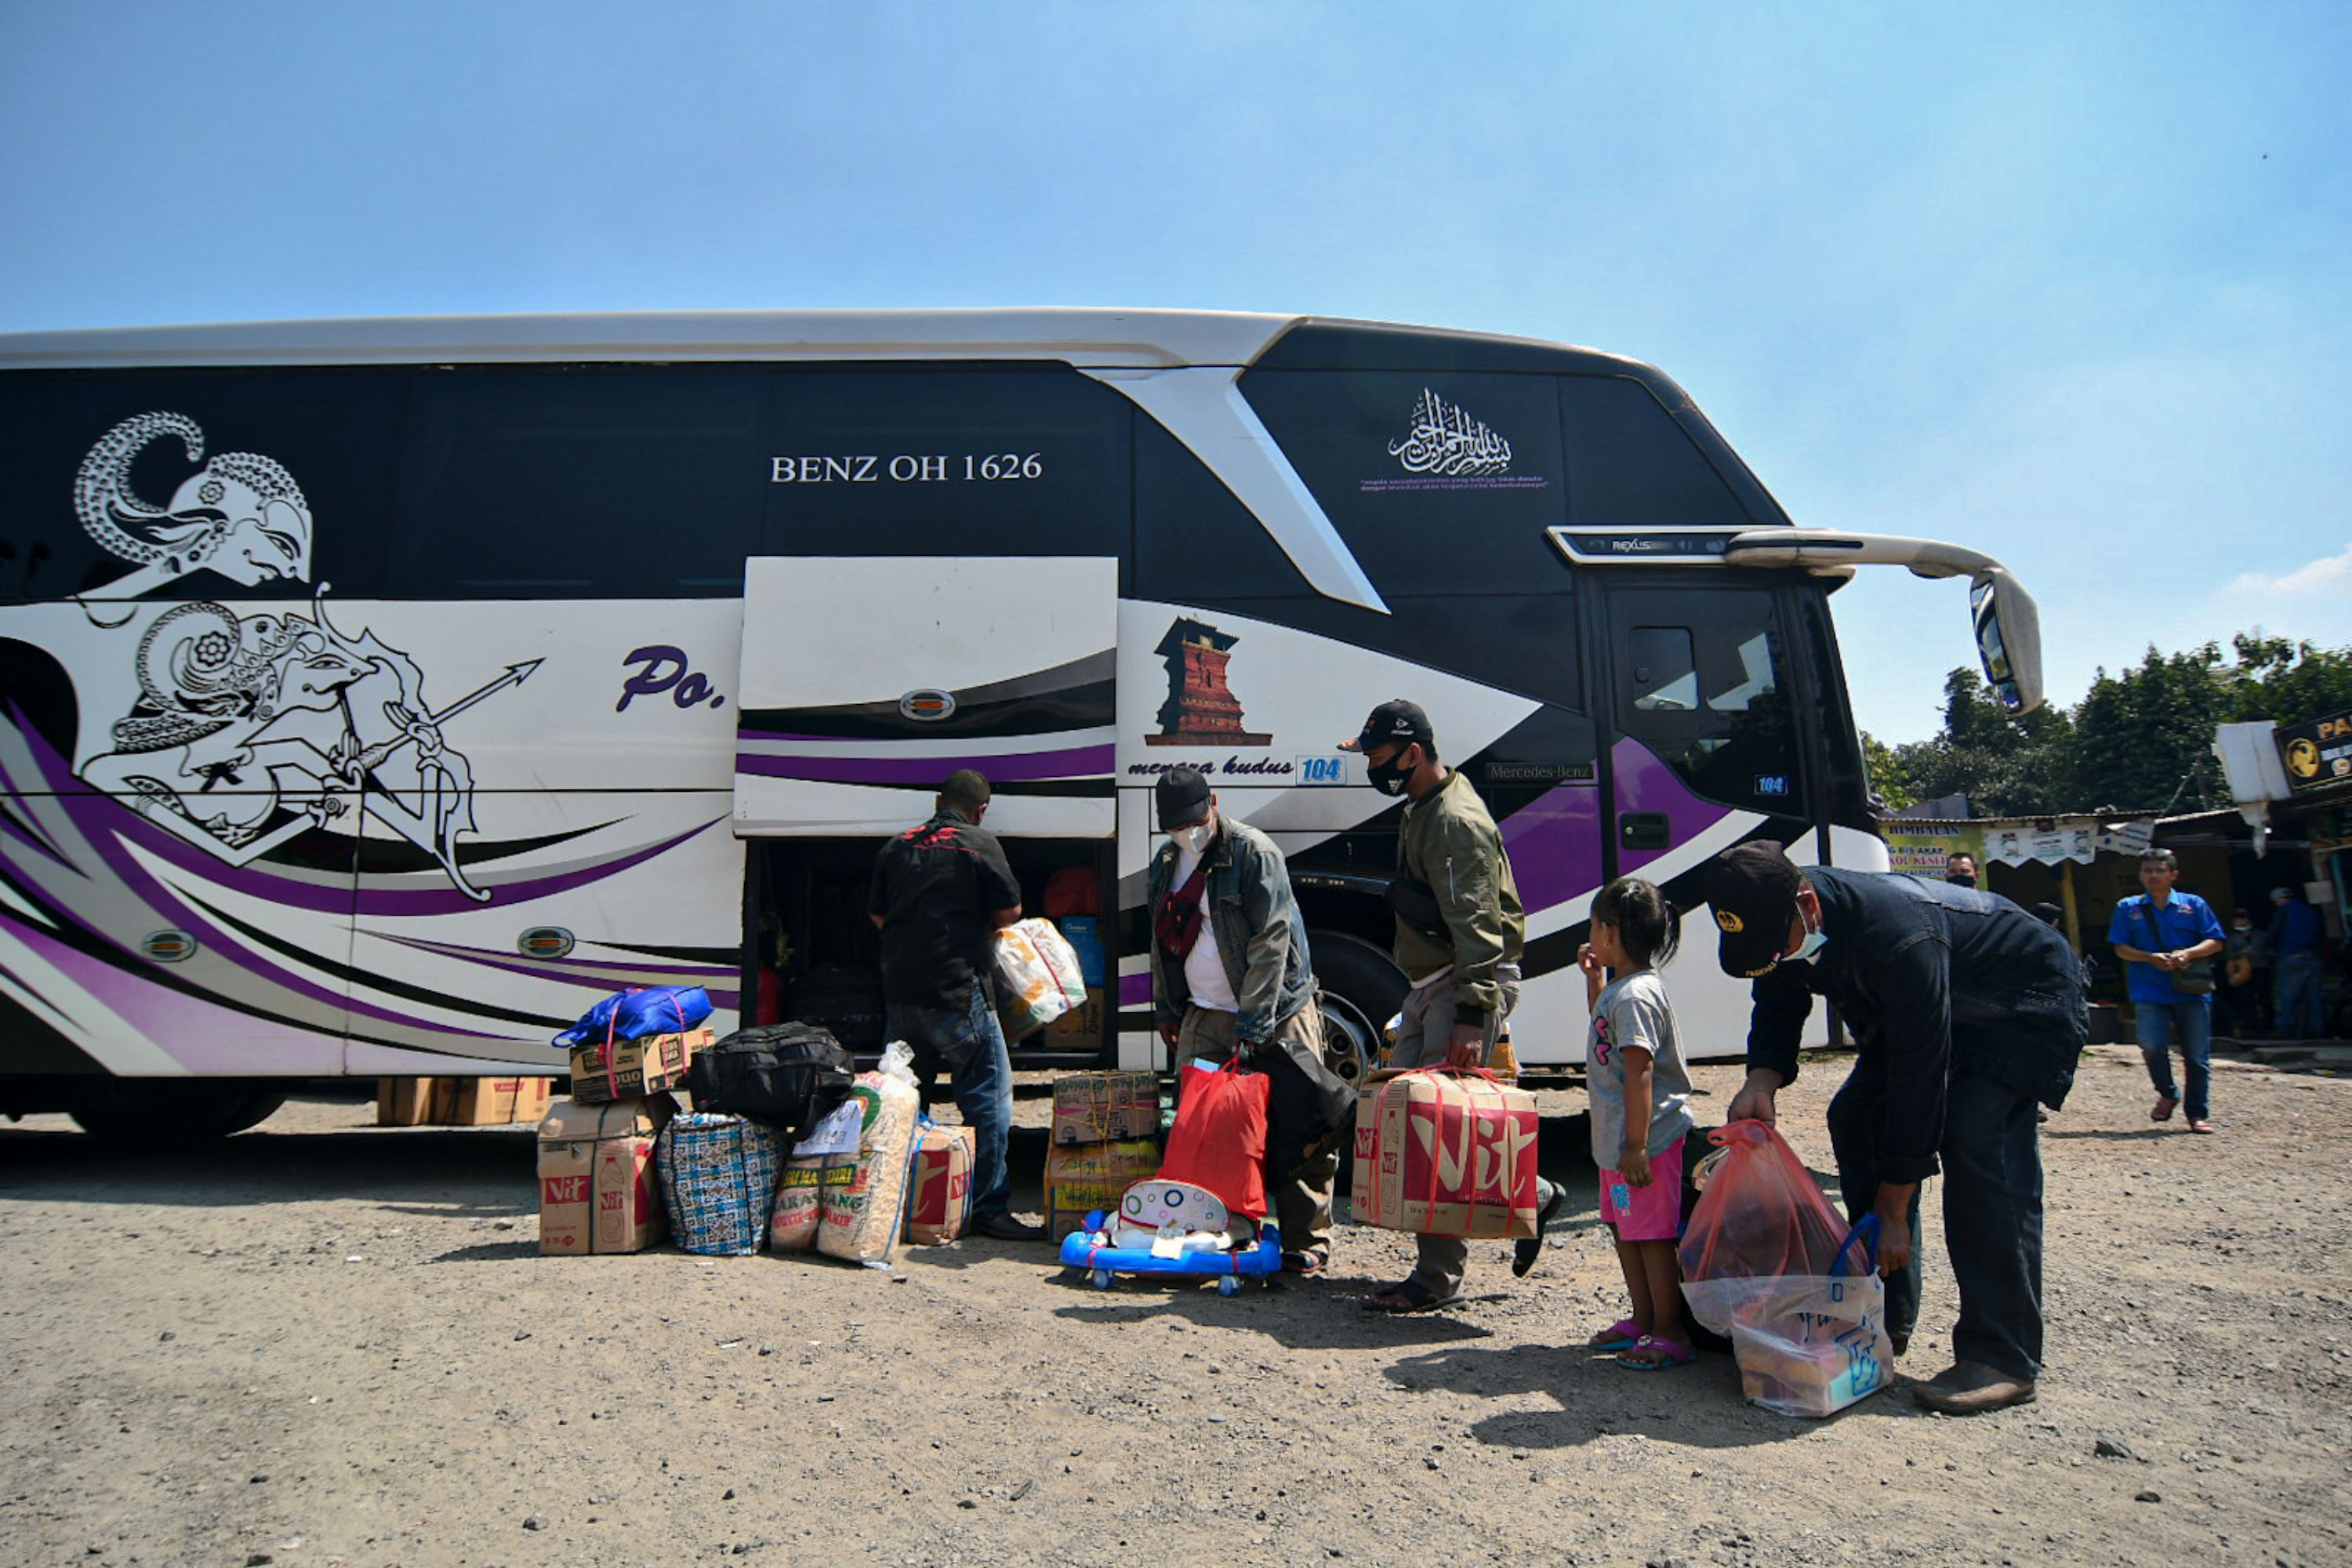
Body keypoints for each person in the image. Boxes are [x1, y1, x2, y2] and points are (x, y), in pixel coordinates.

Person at [1704, 840, 2086, 1415]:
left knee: (1976, 1142)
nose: (1776, 956)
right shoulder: (1779, 916)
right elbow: (1778, 998)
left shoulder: (1898, 936)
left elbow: (1920, 1074)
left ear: (1808, 903)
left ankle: (2003, 1356)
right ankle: (1884, 1318)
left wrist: (1894, 1205)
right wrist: (1762, 1080)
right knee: (1855, 1116)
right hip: (1935, 1007)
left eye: (1776, 945)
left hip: (2019, 1001)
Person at [1339, 699, 1565, 1312]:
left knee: (1434, 1128)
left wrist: (1471, 1014)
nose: (1372, 769)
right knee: (1415, 1120)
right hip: (1432, 984)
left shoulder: (1455, 821)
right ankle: (1535, 1195)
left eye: (1379, 757)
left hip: (1461, 984)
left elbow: (1480, 928)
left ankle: (1435, 1281)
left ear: (1413, 753)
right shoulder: (1425, 805)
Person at [1146, 767, 1353, 1273]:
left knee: (1297, 1128)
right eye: (1176, 826)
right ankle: (1217, 1233)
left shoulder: (1254, 854)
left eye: (1194, 822)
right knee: (1200, 1128)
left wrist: (1254, 1020)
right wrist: (1168, 1007)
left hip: (1277, 1014)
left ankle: (1307, 1240)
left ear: (1213, 804)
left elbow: (1271, 941)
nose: (1187, 833)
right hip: (1204, 1012)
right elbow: (1162, 939)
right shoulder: (1167, 861)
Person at [869, 768, 1042, 1241]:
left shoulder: (897, 847)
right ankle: (987, 1208)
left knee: (906, 1100)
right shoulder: (979, 844)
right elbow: (1009, 912)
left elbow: (878, 914)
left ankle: (901, 1200)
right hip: (957, 992)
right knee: (988, 1099)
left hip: (901, 994)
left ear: (938, 802)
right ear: (981, 810)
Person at [1577, 877, 1696, 1369]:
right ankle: (1644, 1319)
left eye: (1593, 926)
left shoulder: (1636, 996)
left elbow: (1639, 1070)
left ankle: (1670, 1329)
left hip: (1645, 1141)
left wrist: (1637, 1145)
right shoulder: (1620, 991)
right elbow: (1608, 1038)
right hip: (1618, 1142)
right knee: (1626, 1229)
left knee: (1651, 1235)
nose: (1590, 935)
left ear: (1610, 932)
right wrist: (1593, 983)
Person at [2107, 849, 2224, 1135]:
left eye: (2160, 871)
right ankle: (2168, 1092)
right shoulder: (2128, 908)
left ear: (2173, 875)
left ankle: (2197, 1114)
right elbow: (2121, 948)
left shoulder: (2193, 905)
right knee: (2150, 1044)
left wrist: (2188, 954)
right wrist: (2149, 957)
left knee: (2197, 1056)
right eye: (2148, 871)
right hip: (2149, 989)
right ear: (2140, 875)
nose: (2154, 876)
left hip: (2191, 990)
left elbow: (2216, 941)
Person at [2269, 886, 2325, 1040]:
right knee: (2314, 996)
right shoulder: (2310, 911)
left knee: (2287, 995)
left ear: (2279, 899)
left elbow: (2274, 933)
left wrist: (2271, 949)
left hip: (2292, 956)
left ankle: (2284, 1028)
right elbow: (2322, 932)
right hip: (2313, 957)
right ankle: (2317, 1028)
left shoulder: (2284, 911)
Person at [2216, 907, 2268, 1040]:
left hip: (2260, 969)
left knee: (2264, 998)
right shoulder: (2233, 939)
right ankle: (2250, 1027)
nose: (2241, 922)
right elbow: (2229, 955)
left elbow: (2268, 951)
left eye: (2243, 919)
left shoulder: (2261, 936)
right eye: (2237, 920)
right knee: (2246, 999)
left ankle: (2267, 1026)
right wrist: (2241, 953)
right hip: (2242, 972)